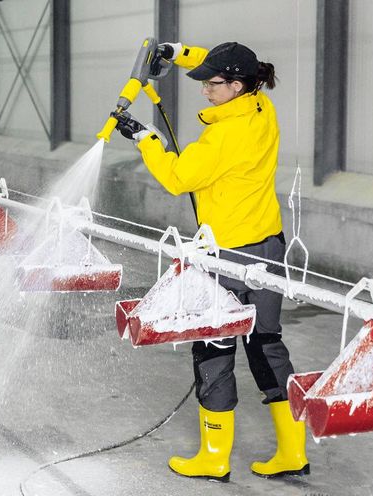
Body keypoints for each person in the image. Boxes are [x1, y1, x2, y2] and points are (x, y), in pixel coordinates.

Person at [112, 41, 309, 482]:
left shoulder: (224, 135)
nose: (205, 90)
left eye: (213, 84)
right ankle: (293, 452)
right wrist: (177, 52)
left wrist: (145, 139)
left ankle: (214, 458)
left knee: (214, 345)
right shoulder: (261, 107)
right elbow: (221, 60)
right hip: (266, 245)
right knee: (265, 343)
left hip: (225, 254)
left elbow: (180, 177)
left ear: (237, 85)